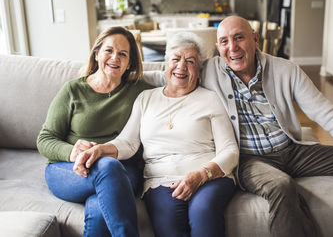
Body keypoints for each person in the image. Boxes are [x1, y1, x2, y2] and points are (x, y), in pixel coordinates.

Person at [198, 15, 333, 237]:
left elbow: (326, 113)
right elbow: (170, 72)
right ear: (218, 47)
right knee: (281, 185)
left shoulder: (286, 70)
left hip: (292, 149)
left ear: (255, 39)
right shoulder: (207, 71)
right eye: (224, 41)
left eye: (239, 38)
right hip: (249, 159)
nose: (232, 47)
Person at [73, 32, 239, 237]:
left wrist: (201, 175)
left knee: (202, 211)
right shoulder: (146, 98)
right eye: (175, 59)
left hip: (208, 177)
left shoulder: (210, 99)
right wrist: (99, 150)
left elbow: (230, 150)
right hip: (160, 180)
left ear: (199, 69)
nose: (181, 66)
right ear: (165, 65)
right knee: (169, 227)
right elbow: (127, 143)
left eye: (190, 61)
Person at [37, 26, 153, 237]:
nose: (114, 58)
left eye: (123, 54)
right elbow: (45, 139)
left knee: (100, 207)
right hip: (70, 170)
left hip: (122, 169)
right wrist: (73, 152)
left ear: (129, 63)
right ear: (97, 53)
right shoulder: (73, 90)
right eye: (108, 50)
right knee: (108, 168)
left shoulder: (141, 92)